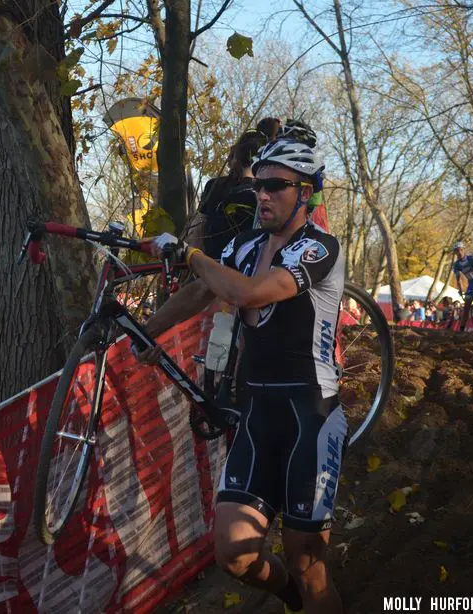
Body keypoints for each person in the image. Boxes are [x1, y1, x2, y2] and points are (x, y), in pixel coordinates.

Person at [136, 122, 344, 613]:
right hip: (257, 410)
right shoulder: (247, 246)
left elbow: (246, 294)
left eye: (275, 186)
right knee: (232, 553)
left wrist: (188, 253)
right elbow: (201, 290)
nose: (262, 194)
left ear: (305, 193)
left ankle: (308, 595)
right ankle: (293, 600)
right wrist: (150, 331)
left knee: (308, 562)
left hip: (309, 415)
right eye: (258, 184)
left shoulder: (318, 248)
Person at [188, 119, 280, 259]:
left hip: (211, 263)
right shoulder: (266, 191)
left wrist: (195, 261)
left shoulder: (215, 185)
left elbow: (197, 229)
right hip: (245, 268)